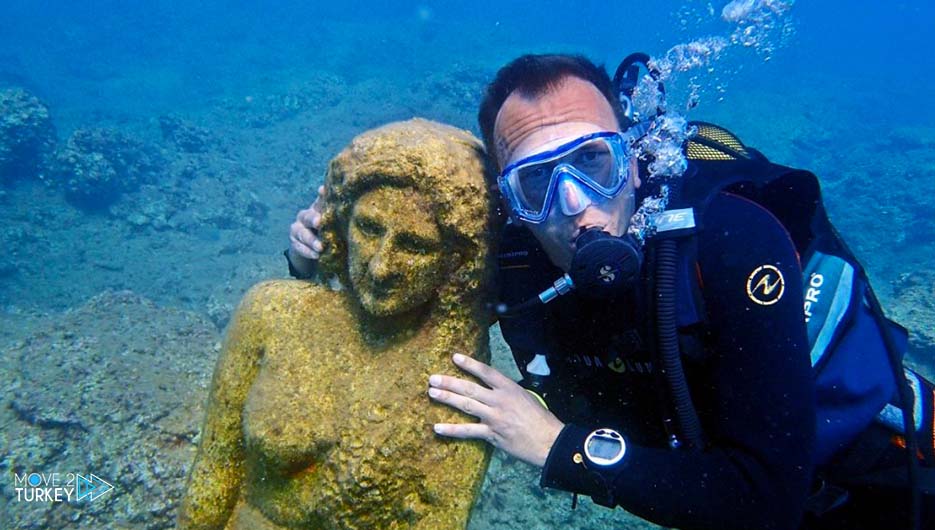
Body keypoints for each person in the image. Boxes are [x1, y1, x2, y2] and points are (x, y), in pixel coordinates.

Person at [287, 55, 933, 529]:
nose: (574, 206)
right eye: (536, 182)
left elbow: (766, 501)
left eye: (594, 163)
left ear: (633, 156)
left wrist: (556, 445)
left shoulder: (733, 244)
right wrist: (317, 254)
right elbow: (392, 290)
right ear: (509, 200)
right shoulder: (513, 252)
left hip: (874, 481)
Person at [180, 119, 497, 530]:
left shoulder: (461, 390)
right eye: (368, 228)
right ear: (342, 220)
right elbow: (214, 474)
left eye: (416, 246)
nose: (382, 267)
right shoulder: (270, 312)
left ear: (455, 261)